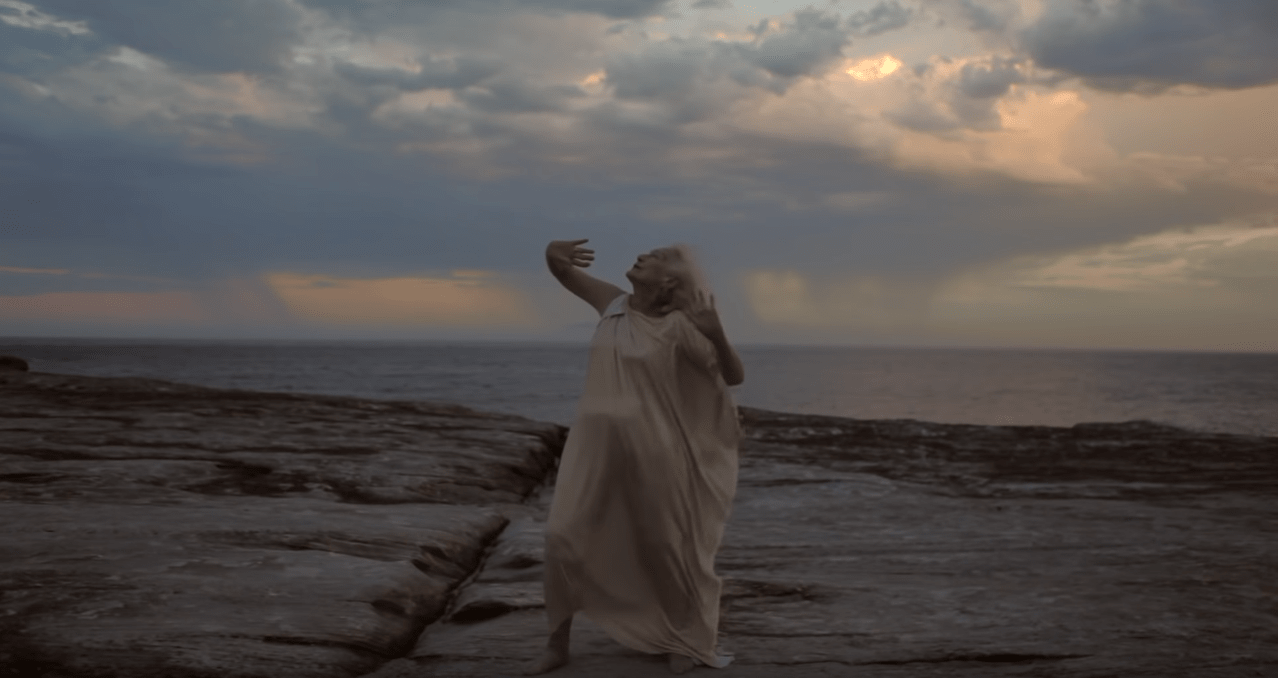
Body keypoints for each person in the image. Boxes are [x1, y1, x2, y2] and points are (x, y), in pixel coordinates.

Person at [527, 239, 745, 675]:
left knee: (666, 546)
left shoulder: (683, 325)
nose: (643, 255)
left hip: (657, 450)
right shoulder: (612, 303)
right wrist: (554, 250)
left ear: (669, 281)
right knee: (562, 537)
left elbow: (733, 376)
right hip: (593, 448)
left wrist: (715, 330)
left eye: (658, 257)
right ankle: (557, 643)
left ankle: (684, 638)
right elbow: (562, 270)